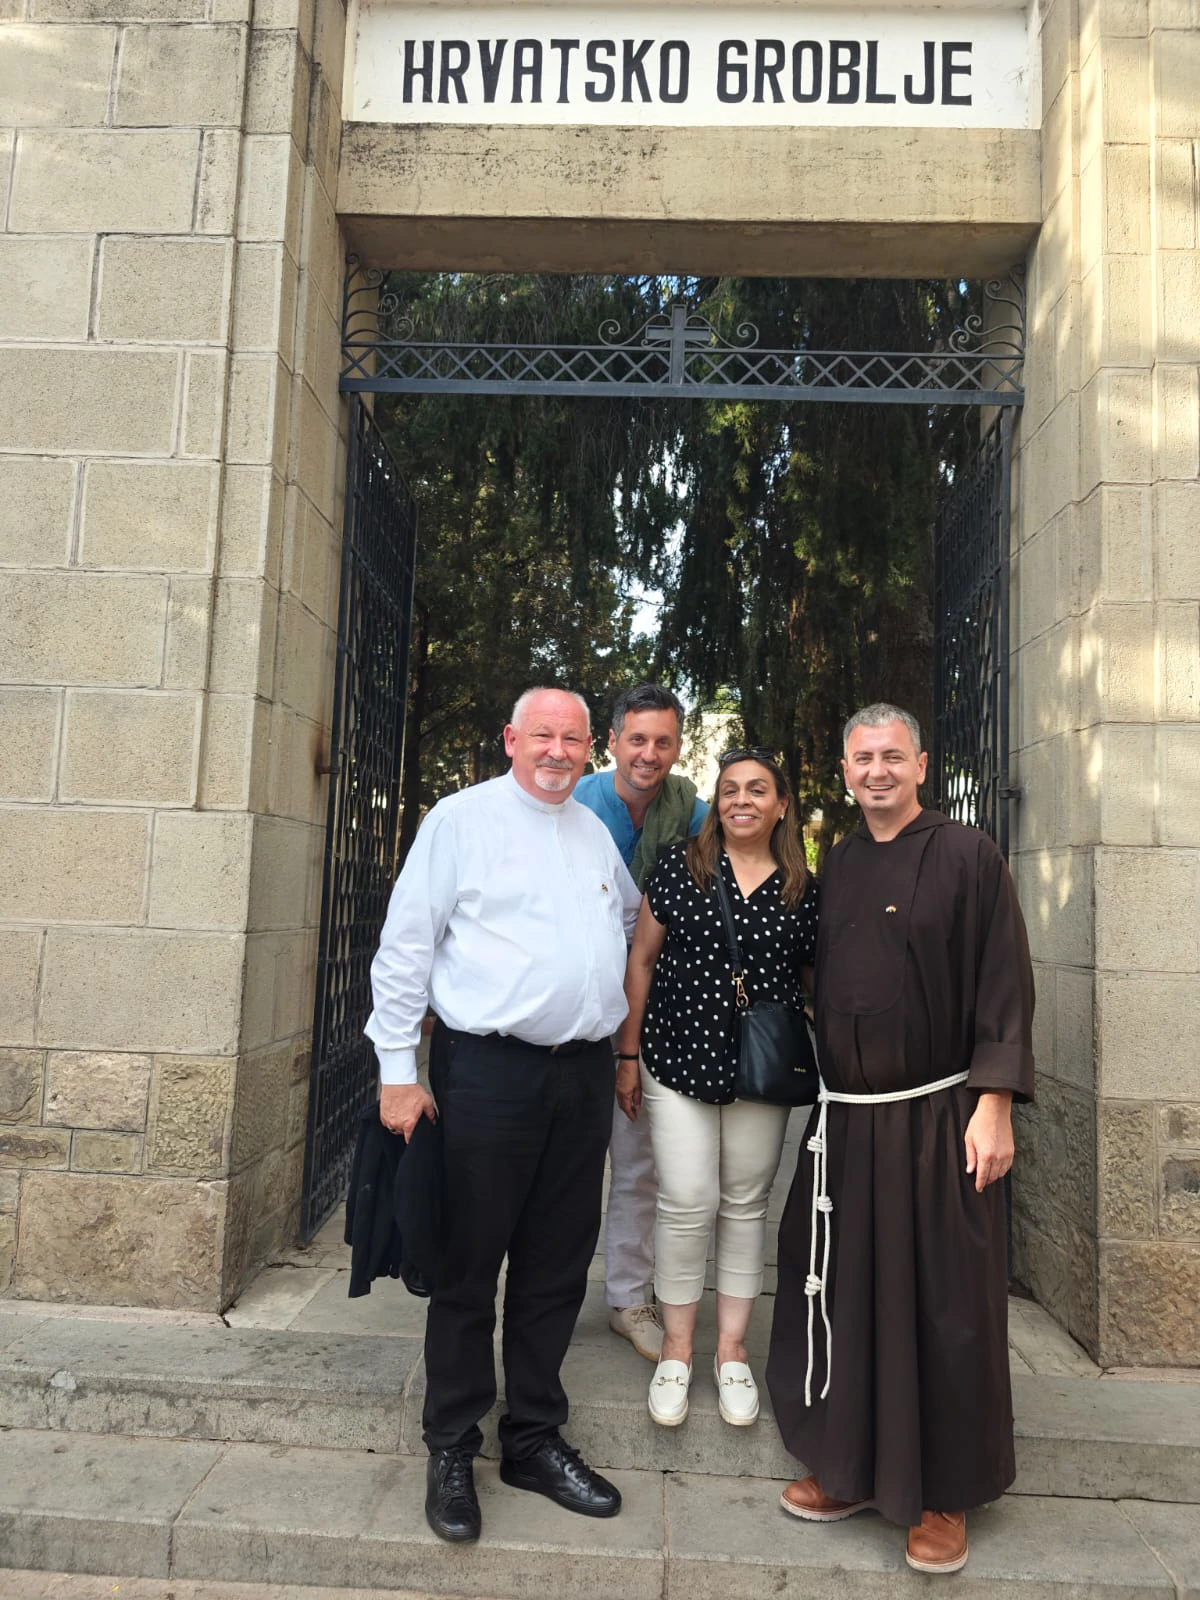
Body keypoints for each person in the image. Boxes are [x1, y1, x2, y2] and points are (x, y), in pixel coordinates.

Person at [365, 687, 641, 1545]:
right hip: (485, 1073)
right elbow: (406, 944)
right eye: (543, 737)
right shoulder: (460, 820)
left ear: (588, 748)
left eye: (573, 739)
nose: (558, 752)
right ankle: (452, 1441)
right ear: (511, 738)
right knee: (468, 1263)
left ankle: (531, 1437)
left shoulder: (595, 834)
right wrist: (397, 1071)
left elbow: (628, 920)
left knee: (558, 1265)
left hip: (580, 1077)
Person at [766, 703, 1034, 1576]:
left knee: (945, 1304)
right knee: (848, 1290)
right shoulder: (838, 862)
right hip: (848, 1121)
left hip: (937, 1119)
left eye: (891, 756)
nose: (875, 771)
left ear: (922, 765)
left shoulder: (968, 855)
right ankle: (848, 1468)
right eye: (861, 759)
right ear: (844, 773)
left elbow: (1003, 979)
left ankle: (942, 1492)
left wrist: (993, 1101)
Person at [613, 749, 818, 1428]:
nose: (741, 800)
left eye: (758, 790)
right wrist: (628, 1054)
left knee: (744, 1203)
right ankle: (678, 1350)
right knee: (687, 1198)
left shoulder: (802, 886)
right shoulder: (681, 866)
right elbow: (641, 960)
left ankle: (731, 1353)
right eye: (729, 790)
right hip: (676, 1058)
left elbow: (819, 980)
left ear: (781, 804)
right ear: (717, 802)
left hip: (760, 1068)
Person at [575, 683, 708, 1362]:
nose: (649, 754)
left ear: (677, 746)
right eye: (637, 739)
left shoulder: (696, 813)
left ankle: (630, 1297)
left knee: (637, 1165)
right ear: (613, 742)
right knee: (561, 1164)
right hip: (567, 1008)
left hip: (650, 1012)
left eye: (662, 741)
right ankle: (551, 1290)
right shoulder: (573, 802)